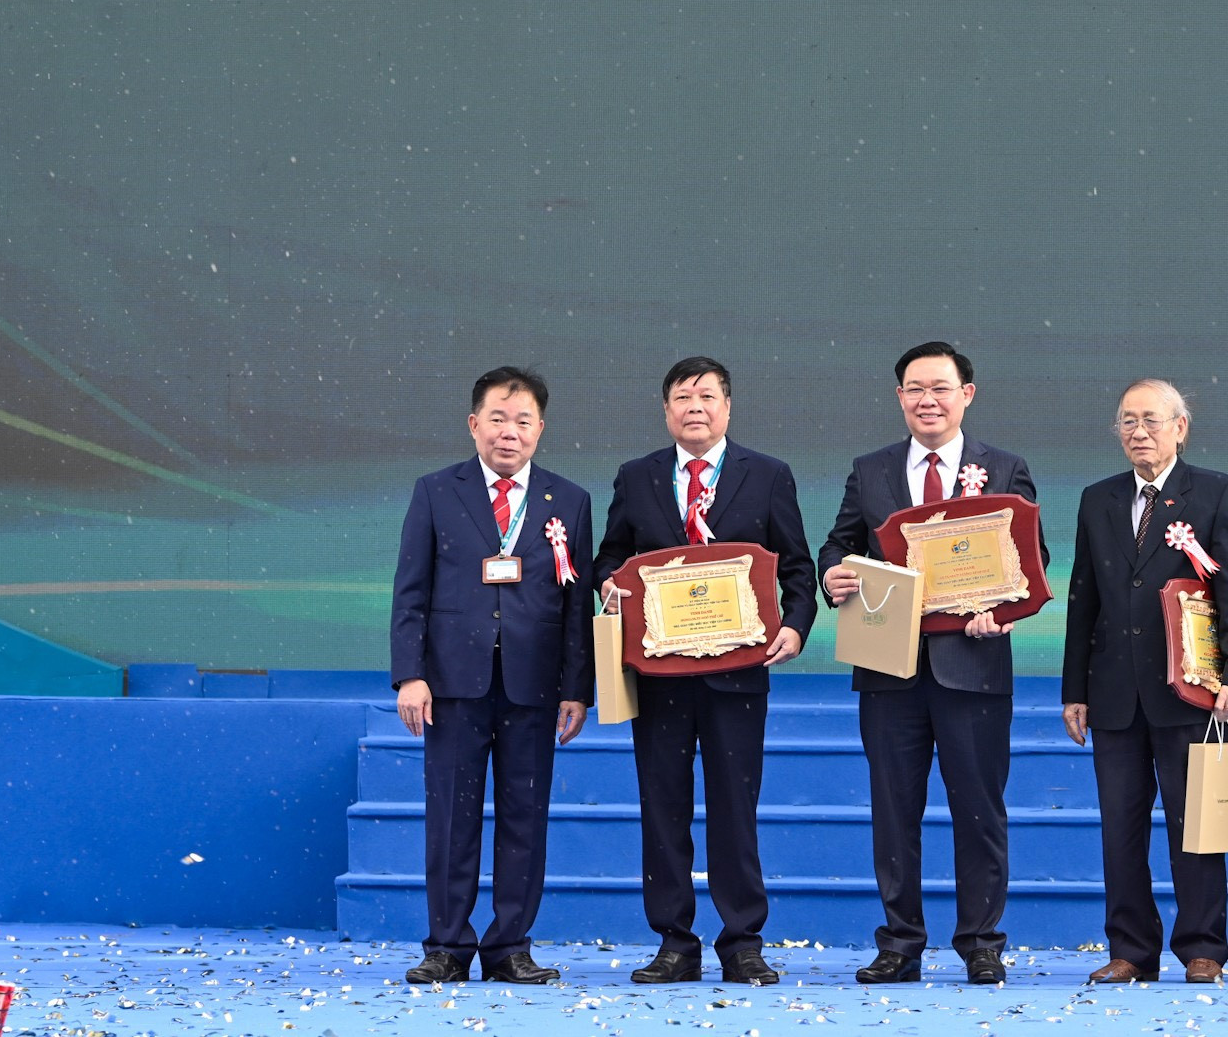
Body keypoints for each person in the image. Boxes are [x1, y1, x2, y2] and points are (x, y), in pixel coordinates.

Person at [818, 341, 1043, 986]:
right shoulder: (871, 470)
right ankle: (900, 943)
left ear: (966, 395)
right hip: (889, 666)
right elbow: (842, 541)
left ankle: (981, 942)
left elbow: (1033, 558)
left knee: (979, 809)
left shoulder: (1004, 467)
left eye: (941, 388)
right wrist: (837, 569)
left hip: (972, 664)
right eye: (915, 389)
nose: (928, 400)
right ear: (899, 398)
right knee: (893, 811)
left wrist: (1000, 610)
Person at [594, 356, 817, 986]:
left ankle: (742, 939)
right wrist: (611, 587)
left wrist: (795, 627)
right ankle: (674, 940)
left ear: (728, 407)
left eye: (707, 396)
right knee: (661, 805)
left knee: (734, 808)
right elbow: (611, 558)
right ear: (666, 410)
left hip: (739, 677)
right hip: (658, 674)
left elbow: (797, 568)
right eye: (682, 397)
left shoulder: (769, 475)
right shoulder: (637, 477)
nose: (695, 406)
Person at [390, 366, 595, 985]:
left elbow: (576, 607)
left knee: (524, 816)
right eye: (498, 419)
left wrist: (576, 689)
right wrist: (410, 675)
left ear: (541, 429)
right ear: (474, 424)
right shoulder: (435, 491)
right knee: (450, 816)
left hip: (534, 688)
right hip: (452, 685)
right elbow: (411, 591)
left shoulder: (571, 501)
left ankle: (511, 946)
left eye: (523, 421)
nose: (510, 432)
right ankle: (447, 945)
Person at [1061, 379, 1228, 984]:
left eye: (1150, 420)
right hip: (1115, 695)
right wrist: (1076, 689)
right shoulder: (1097, 499)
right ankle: (1130, 950)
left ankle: (1203, 947)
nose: (1138, 432)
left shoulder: (1216, 493)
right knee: (1119, 826)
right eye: (1127, 421)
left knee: (1195, 822)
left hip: (1191, 690)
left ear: (1181, 426)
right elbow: (1083, 599)